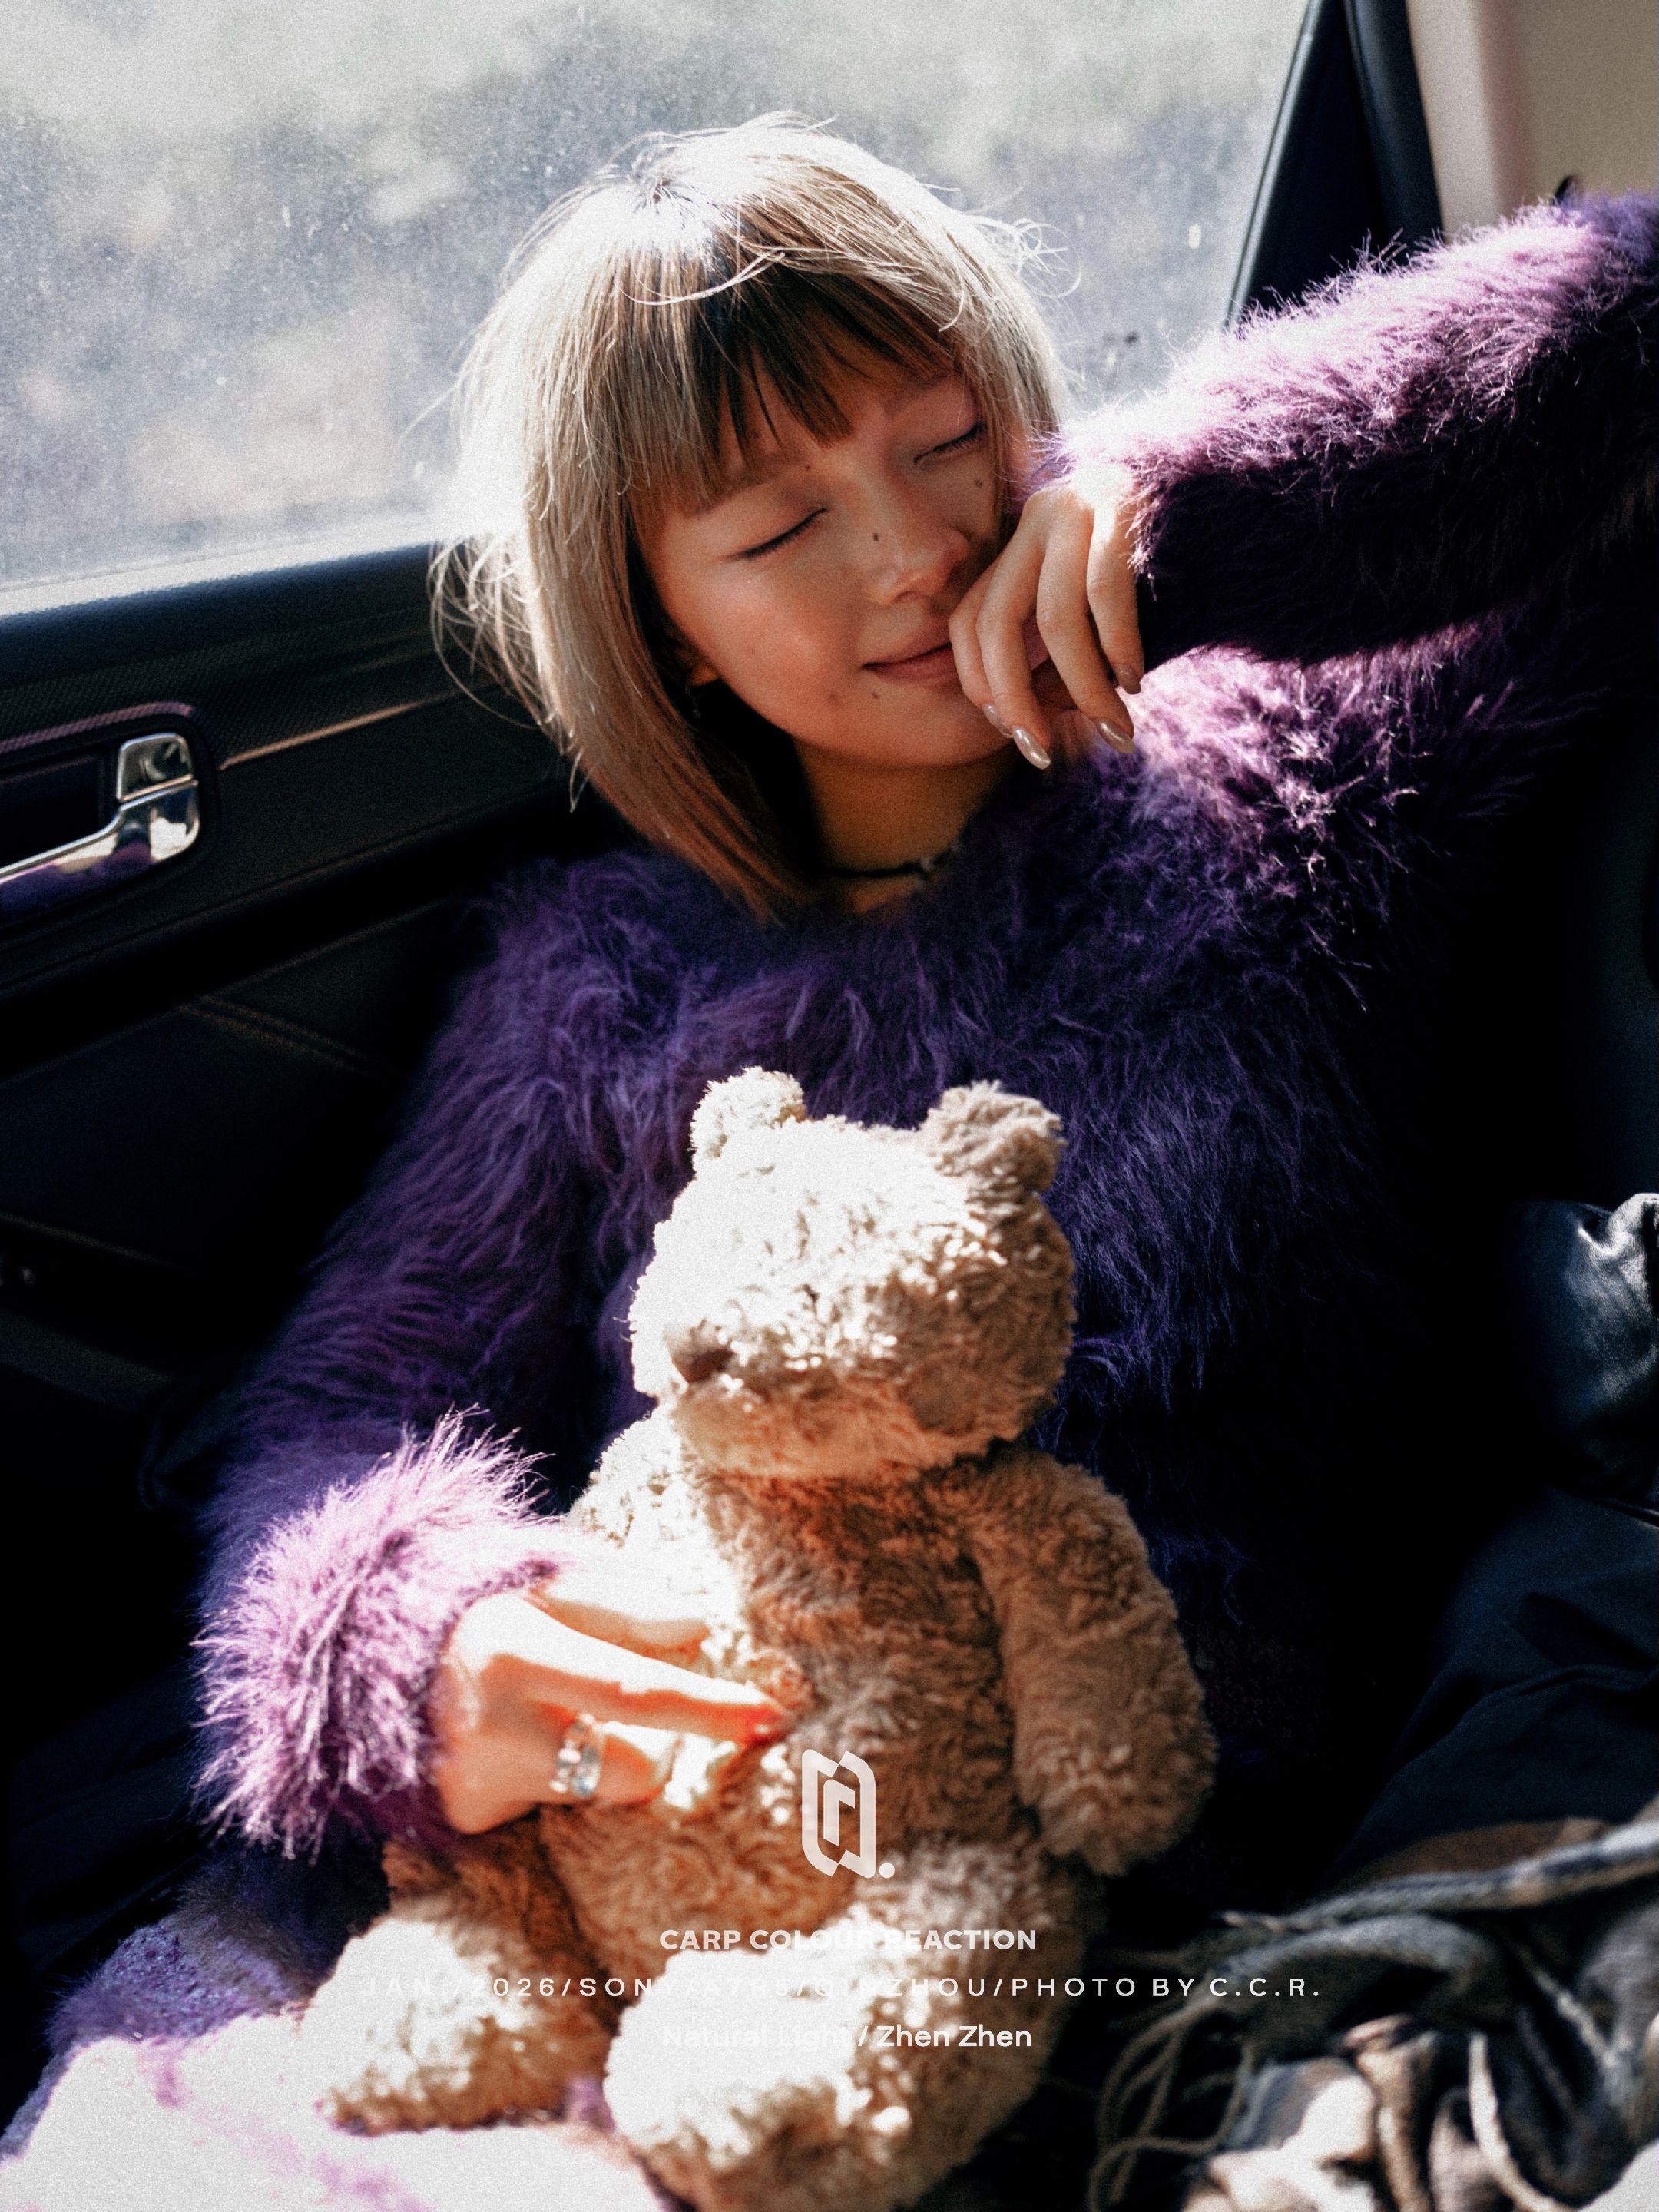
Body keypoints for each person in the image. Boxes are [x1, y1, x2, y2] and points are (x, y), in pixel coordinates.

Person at [3, 114, 1654, 2210]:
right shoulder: (592, 982)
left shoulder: (1290, 779)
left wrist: (1213, 493)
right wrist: (427, 1654)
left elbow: (1635, 314)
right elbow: (350, 1414)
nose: (912, 550)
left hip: (1150, 1884)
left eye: (951, 438)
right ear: (667, 624)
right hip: (691, 1856)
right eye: (780, 523)